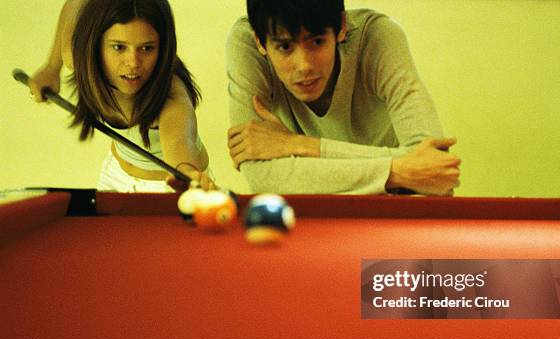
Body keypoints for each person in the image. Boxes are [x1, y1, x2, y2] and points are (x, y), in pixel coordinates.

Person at [226, 0, 460, 195]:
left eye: (317, 42)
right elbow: (262, 177)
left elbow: (435, 164)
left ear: (342, 27)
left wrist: (296, 145)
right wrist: (396, 171)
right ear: (260, 41)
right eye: (285, 47)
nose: (304, 66)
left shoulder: (377, 37)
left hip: (395, 206)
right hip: (315, 215)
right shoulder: (245, 43)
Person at [28, 0, 213, 192]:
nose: (133, 62)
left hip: (166, 188)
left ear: (163, 47)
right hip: (115, 175)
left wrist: (187, 174)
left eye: (147, 48)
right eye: (119, 47)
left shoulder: (172, 94)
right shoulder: (78, 58)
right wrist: (51, 68)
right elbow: (76, 3)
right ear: (96, 43)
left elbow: (180, 141)